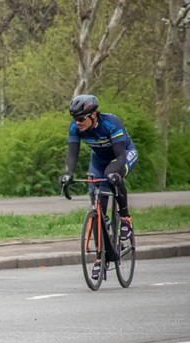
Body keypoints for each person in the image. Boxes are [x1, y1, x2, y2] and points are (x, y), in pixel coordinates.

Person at [59, 94, 137, 281]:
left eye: (80, 118)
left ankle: (125, 217)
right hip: (99, 161)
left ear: (93, 115)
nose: (77, 123)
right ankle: (100, 258)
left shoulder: (111, 123)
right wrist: (68, 174)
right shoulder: (76, 128)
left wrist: (113, 174)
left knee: (113, 177)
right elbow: (72, 155)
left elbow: (119, 156)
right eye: (74, 118)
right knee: (97, 207)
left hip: (122, 155)